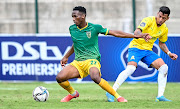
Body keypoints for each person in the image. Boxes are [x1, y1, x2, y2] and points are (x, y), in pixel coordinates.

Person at [56, 6, 150, 102]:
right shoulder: (72, 29)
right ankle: (73, 93)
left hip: (92, 60)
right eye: (72, 16)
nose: (73, 19)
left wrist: (135, 35)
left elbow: (115, 33)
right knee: (59, 77)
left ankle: (117, 96)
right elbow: (76, 44)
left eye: (75, 16)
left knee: (95, 77)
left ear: (83, 16)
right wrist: (66, 56)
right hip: (78, 62)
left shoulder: (94, 28)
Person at [106, 6, 178, 102]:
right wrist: (142, 35)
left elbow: (161, 43)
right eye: (160, 16)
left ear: (167, 18)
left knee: (164, 67)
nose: (161, 20)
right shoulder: (148, 20)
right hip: (136, 48)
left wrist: (169, 53)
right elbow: (137, 31)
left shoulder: (164, 29)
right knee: (131, 69)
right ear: (157, 14)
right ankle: (111, 92)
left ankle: (160, 96)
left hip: (148, 51)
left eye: (164, 18)